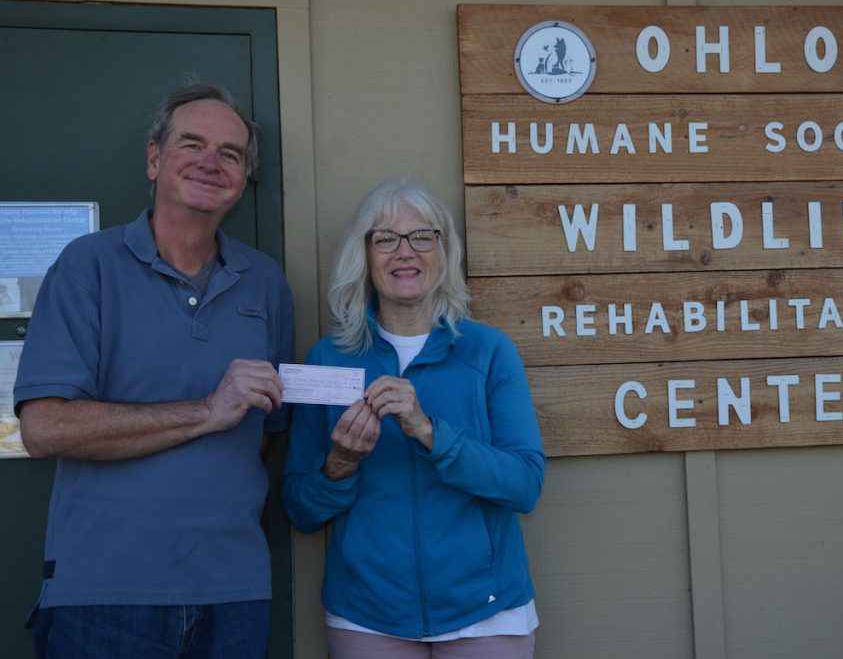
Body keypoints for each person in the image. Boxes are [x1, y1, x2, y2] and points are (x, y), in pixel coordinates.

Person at [14, 82, 294, 657]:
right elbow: (44, 429)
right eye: (192, 144)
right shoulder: (86, 267)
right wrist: (208, 410)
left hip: (234, 591)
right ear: (154, 158)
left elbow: (269, 434)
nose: (211, 163)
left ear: (243, 178)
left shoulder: (265, 282)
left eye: (231, 153)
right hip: (104, 594)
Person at [283, 180, 545, 659]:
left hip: (486, 612)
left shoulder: (488, 352)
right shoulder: (327, 360)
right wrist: (339, 464)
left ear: (444, 250)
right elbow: (300, 509)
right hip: (366, 615)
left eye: (422, 236)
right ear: (363, 254)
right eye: (385, 238)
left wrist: (430, 432)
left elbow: (524, 485)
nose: (404, 252)